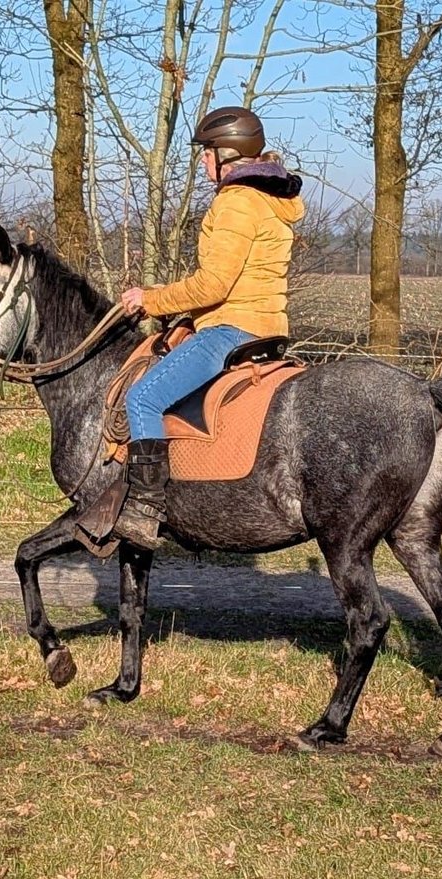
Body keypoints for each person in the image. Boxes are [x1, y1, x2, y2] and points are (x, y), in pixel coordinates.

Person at [110, 105, 305, 549]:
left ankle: (144, 509)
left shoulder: (236, 202)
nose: (202, 161)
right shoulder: (273, 201)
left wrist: (151, 298)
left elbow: (213, 285)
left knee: (143, 396)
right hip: (268, 326)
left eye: (206, 153)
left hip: (230, 328)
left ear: (226, 153)